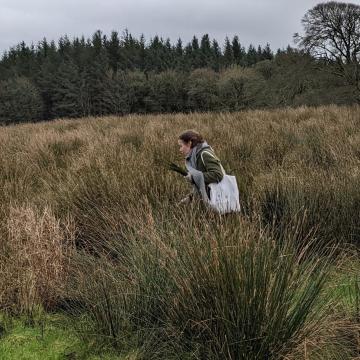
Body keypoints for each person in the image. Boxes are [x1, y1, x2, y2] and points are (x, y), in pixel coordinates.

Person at [178, 130, 224, 205]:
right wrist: (190, 198)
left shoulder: (204, 154)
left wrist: (193, 177)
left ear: (189, 143)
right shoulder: (195, 156)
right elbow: (203, 184)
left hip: (218, 199)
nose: (180, 150)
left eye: (181, 146)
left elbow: (218, 174)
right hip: (210, 200)